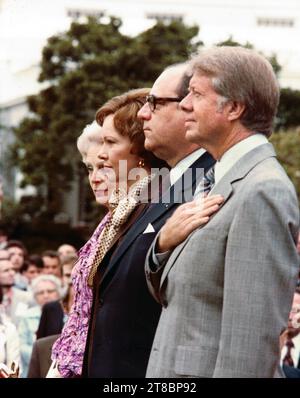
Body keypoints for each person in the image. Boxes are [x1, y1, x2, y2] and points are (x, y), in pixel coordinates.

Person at [145, 46, 300, 378]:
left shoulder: (262, 190)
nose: (184, 104)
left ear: (233, 108)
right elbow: (176, 295)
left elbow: (250, 344)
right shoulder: (220, 181)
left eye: (196, 94)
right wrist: (162, 245)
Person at [83, 66, 220, 378]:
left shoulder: (206, 182)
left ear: (191, 107)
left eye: (155, 104)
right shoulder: (170, 183)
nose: (145, 113)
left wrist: (158, 246)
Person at [18, 274, 62, 377]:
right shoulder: (26, 316)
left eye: (50, 291)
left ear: (59, 293)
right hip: (33, 366)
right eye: (40, 293)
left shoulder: (68, 316)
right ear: (34, 296)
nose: (45, 295)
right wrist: (40, 354)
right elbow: (22, 345)